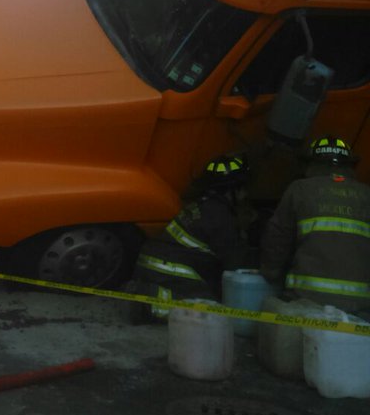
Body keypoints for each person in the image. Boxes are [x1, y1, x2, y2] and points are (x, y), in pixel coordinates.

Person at [129, 153, 247, 319]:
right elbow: (235, 264)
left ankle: (144, 291)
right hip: (168, 267)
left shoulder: (202, 206)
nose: (245, 195)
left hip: (154, 262)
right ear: (231, 191)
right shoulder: (221, 217)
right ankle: (147, 306)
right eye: (243, 189)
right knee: (208, 308)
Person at [261, 136, 370, 315]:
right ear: (349, 165)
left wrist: (271, 273)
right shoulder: (367, 195)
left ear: (310, 163)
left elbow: (277, 238)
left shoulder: (299, 190)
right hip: (360, 307)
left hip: (306, 300)